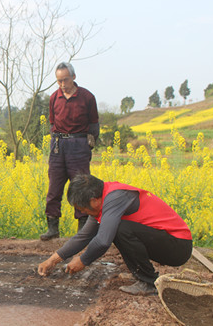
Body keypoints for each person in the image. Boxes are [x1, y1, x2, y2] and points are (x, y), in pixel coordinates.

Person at [38, 174, 192, 295]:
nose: (82, 212)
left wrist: (83, 260)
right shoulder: (103, 200)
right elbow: (83, 236)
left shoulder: (115, 198)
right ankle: (141, 276)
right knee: (118, 228)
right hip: (165, 241)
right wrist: (53, 259)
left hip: (178, 246)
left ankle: (148, 282)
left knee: (119, 229)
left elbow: (103, 241)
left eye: (81, 208)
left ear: (93, 200)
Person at [41, 62, 99, 241]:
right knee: (54, 187)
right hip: (58, 145)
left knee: (81, 187)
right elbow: (52, 123)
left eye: (65, 80)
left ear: (73, 77)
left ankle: (83, 231)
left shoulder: (87, 97)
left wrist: (86, 145)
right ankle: (52, 228)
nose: (62, 84)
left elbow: (94, 125)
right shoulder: (54, 97)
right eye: (58, 81)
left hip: (79, 144)